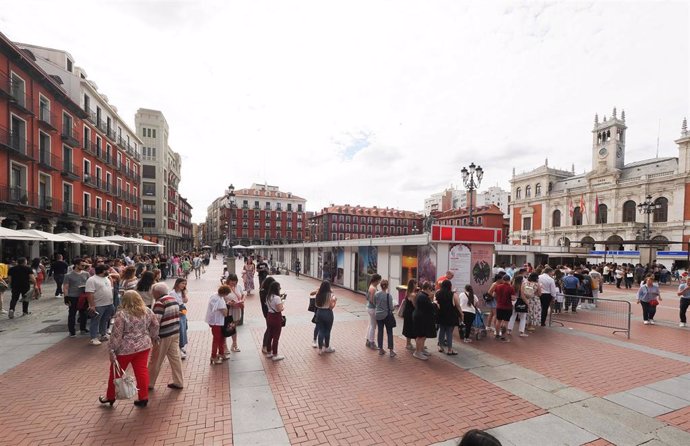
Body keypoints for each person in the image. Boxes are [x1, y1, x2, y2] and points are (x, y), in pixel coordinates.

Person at [99, 290, 159, 408]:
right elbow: (155, 325)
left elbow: (116, 334)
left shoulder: (122, 314)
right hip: (143, 345)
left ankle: (110, 396)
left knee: (116, 373)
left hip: (125, 349)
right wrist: (153, 336)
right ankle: (143, 397)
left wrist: (112, 349)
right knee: (141, 371)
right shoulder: (147, 311)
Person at [149, 282, 184, 390]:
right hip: (174, 332)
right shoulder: (173, 299)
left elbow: (156, 321)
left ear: (157, 292)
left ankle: (149, 383)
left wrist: (152, 336)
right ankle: (179, 381)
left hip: (164, 335)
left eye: (153, 292)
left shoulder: (160, 303)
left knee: (155, 360)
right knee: (175, 359)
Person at [85, 264, 115, 346]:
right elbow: (89, 293)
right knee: (95, 321)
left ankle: (103, 334)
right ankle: (93, 337)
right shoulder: (92, 280)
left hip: (108, 303)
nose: (108, 272)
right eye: (107, 270)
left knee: (105, 320)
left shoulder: (107, 278)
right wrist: (92, 305)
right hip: (98, 304)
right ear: (102, 271)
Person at [435, 279, 461, 354]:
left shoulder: (438, 293)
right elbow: (458, 306)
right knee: (449, 332)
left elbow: (436, 303)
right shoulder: (453, 294)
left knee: (441, 330)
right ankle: (450, 349)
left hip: (441, 315)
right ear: (450, 286)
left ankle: (441, 347)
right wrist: (461, 314)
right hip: (450, 315)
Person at [64, 259, 89, 337]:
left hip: (83, 296)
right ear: (76, 265)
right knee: (72, 314)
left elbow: (89, 283)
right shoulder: (68, 275)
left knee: (84, 313)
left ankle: (83, 328)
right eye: (82, 265)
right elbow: (65, 287)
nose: (84, 266)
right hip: (73, 296)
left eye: (84, 265)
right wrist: (66, 297)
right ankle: (72, 331)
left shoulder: (86, 274)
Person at [412, 281, 437, 360]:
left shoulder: (421, 294)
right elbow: (429, 307)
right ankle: (417, 352)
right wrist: (435, 303)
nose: (431, 291)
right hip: (421, 318)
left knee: (423, 335)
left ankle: (421, 350)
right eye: (430, 289)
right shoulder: (423, 296)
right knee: (421, 336)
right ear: (427, 289)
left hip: (421, 317)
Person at [206, 285, 229, 364]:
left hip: (218, 321)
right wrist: (226, 308)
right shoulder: (217, 299)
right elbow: (225, 313)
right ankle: (213, 356)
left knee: (221, 338)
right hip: (216, 322)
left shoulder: (217, 296)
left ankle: (221, 353)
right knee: (217, 339)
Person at [223, 273, 246, 353]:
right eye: (232, 281)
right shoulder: (225, 287)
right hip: (229, 311)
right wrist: (229, 303)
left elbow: (243, 295)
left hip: (237, 310)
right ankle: (224, 345)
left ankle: (234, 344)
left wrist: (242, 300)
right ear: (228, 280)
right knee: (227, 328)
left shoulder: (238, 286)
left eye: (235, 281)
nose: (233, 283)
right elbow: (222, 298)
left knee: (233, 327)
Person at [374, 279, 396, 357]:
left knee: (380, 331)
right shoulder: (388, 296)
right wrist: (394, 307)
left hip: (378, 315)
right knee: (389, 332)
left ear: (380, 286)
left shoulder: (376, 294)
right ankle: (391, 351)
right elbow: (391, 308)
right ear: (387, 286)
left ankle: (380, 349)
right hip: (386, 315)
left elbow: (375, 303)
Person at [314, 280, 337, 355]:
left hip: (319, 312)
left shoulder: (318, 293)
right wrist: (335, 301)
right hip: (327, 313)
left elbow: (316, 304)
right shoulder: (329, 295)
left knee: (321, 330)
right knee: (327, 330)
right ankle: (327, 347)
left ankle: (320, 349)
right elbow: (331, 307)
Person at [265, 281, 285, 361]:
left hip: (269, 316)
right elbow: (279, 309)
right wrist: (283, 305)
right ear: (276, 288)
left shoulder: (268, 296)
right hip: (276, 317)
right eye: (279, 288)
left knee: (270, 335)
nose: (280, 289)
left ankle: (269, 352)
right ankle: (275, 354)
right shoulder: (277, 298)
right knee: (276, 336)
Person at [169, 278, 189, 359]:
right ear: (177, 283)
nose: (184, 285)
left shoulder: (182, 292)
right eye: (182, 283)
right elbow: (171, 304)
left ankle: (181, 346)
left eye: (185, 284)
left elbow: (185, 301)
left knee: (184, 328)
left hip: (182, 309)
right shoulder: (172, 293)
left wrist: (184, 296)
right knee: (179, 329)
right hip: (176, 310)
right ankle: (178, 348)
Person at [493, 274, 514, 341]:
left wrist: (498, 300)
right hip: (508, 307)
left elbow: (494, 295)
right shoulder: (511, 288)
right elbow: (513, 299)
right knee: (505, 322)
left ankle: (497, 334)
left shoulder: (498, 286)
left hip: (499, 306)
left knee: (498, 321)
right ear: (509, 280)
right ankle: (503, 336)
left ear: (503, 279)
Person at [259, 277, 276, 353]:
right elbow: (267, 301)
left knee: (270, 329)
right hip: (268, 312)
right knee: (269, 329)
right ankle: (265, 346)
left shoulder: (264, 291)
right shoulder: (264, 292)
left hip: (268, 312)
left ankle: (267, 345)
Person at [365, 274, 382, 349]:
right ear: (377, 280)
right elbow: (372, 300)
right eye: (379, 280)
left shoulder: (371, 286)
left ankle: (368, 340)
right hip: (373, 308)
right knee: (373, 326)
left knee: (371, 325)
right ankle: (371, 342)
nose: (379, 282)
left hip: (370, 308)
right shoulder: (373, 288)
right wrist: (378, 305)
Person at [402, 279, 418, 351]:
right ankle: (414, 344)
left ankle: (408, 343)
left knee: (408, 327)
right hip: (411, 313)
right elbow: (415, 305)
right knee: (412, 328)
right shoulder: (413, 294)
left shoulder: (407, 292)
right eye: (416, 284)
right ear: (413, 285)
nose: (417, 285)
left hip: (407, 312)